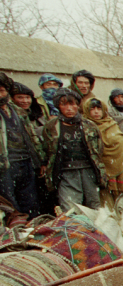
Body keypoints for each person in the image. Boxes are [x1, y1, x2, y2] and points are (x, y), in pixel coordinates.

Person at [44, 88, 106, 211]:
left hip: (88, 170)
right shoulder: (51, 127)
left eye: (72, 104)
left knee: (94, 207)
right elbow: (47, 151)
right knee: (70, 209)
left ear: (78, 105)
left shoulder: (89, 125)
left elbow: (98, 149)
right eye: (64, 104)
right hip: (65, 172)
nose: (69, 108)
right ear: (58, 106)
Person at [85, 98, 123, 206]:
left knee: (120, 203)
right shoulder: (85, 126)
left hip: (119, 169)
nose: (96, 112)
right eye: (92, 109)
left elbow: (122, 146)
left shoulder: (111, 124)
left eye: (99, 108)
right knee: (104, 203)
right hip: (97, 171)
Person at [0, 74, 45, 217]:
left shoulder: (18, 112)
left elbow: (32, 138)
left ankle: (33, 232)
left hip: (25, 162)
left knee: (30, 201)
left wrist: (39, 161)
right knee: (10, 204)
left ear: (7, 91)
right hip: (4, 165)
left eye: (1, 90)